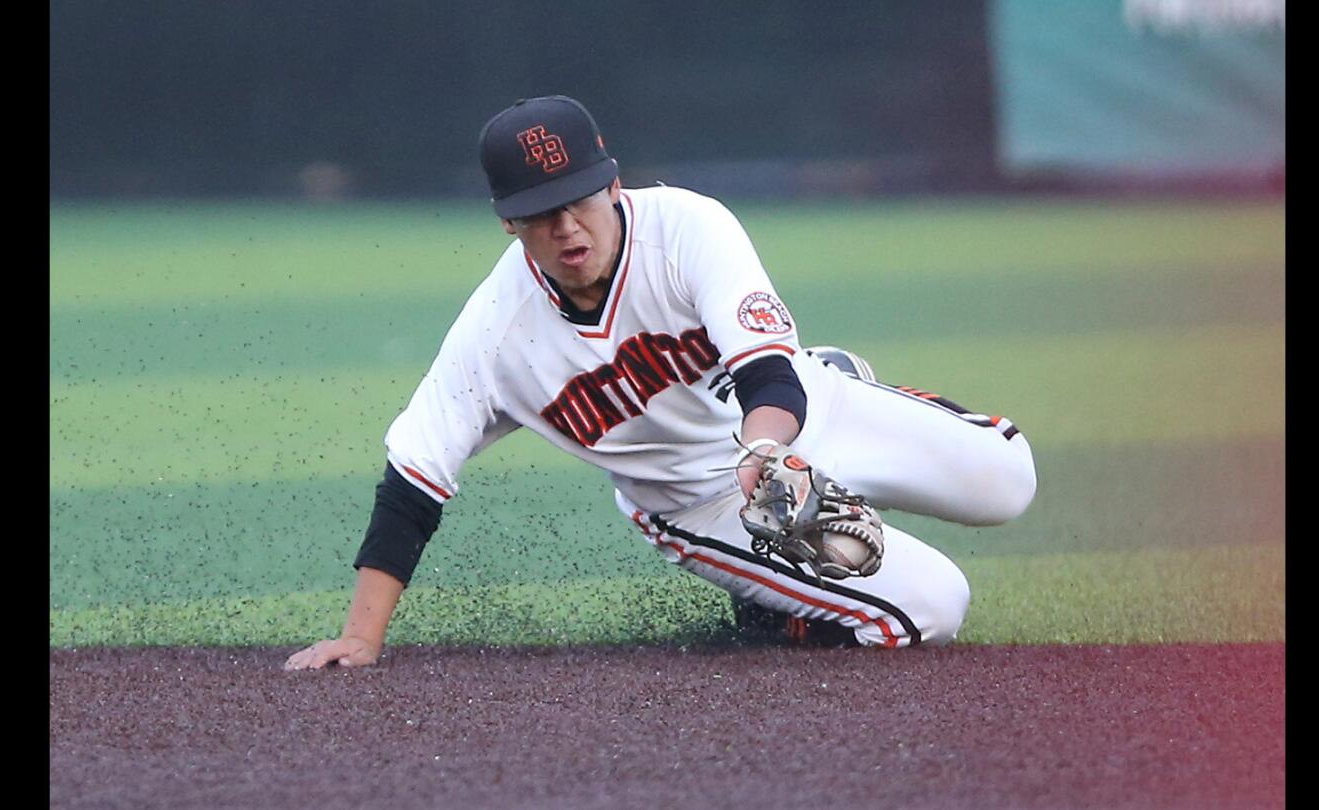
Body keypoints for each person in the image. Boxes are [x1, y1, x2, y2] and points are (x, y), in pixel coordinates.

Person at [285, 95, 1036, 669]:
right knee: (933, 608)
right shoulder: (496, 335)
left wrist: (769, 453)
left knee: (1009, 480)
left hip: (799, 416)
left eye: (578, 197)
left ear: (611, 183)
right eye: (540, 214)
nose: (568, 228)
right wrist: (360, 637)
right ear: (507, 223)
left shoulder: (687, 228)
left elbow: (768, 375)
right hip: (700, 502)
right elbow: (413, 480)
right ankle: (779, 610)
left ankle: (848, 387)